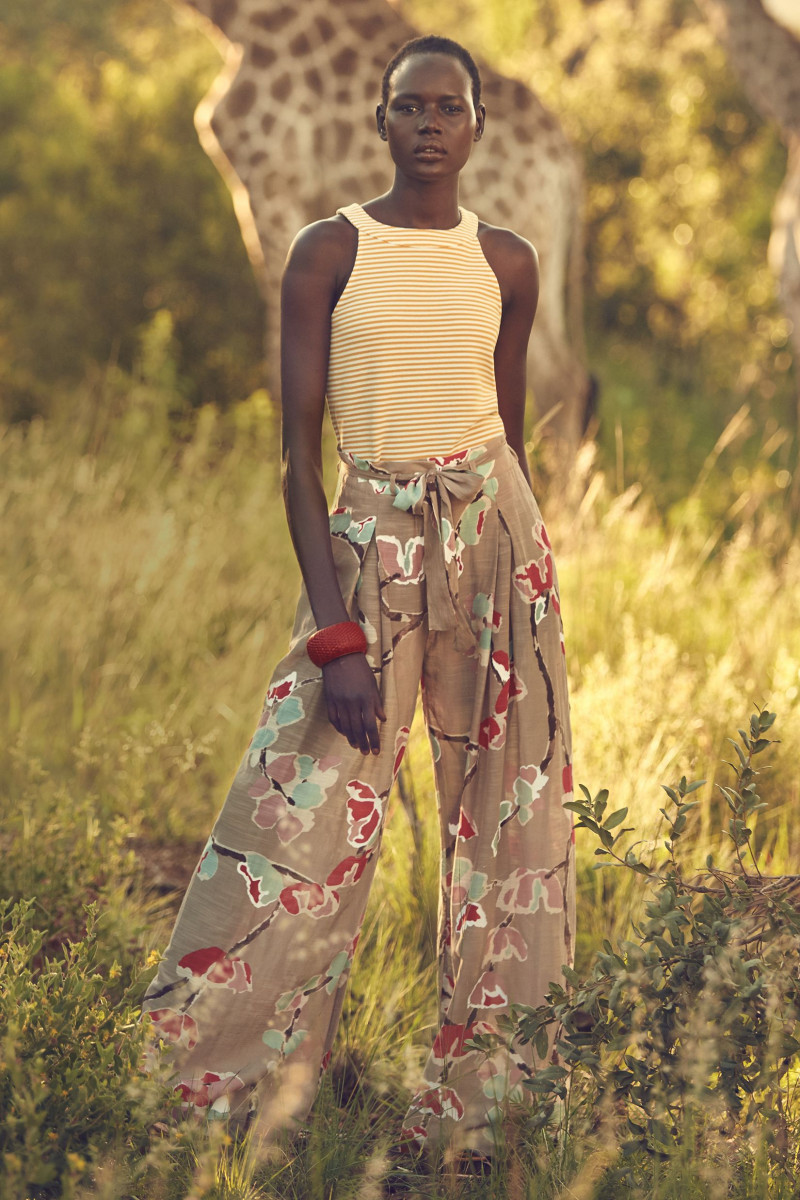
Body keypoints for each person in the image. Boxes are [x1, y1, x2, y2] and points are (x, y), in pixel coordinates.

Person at [140, 32, 575, 1168]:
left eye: (449, 108)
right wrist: (336, 631)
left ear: (475, 128)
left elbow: (508, 426)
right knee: (299, 809)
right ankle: (215, 1098)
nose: (429, 124)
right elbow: (294, 455)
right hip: (370, 539)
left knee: (508, 826)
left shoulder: (509, 261)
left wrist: (522, 572)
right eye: (408, 107)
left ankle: (487, 1110)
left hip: (496, 545)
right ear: (378, 123)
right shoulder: (326, 252)